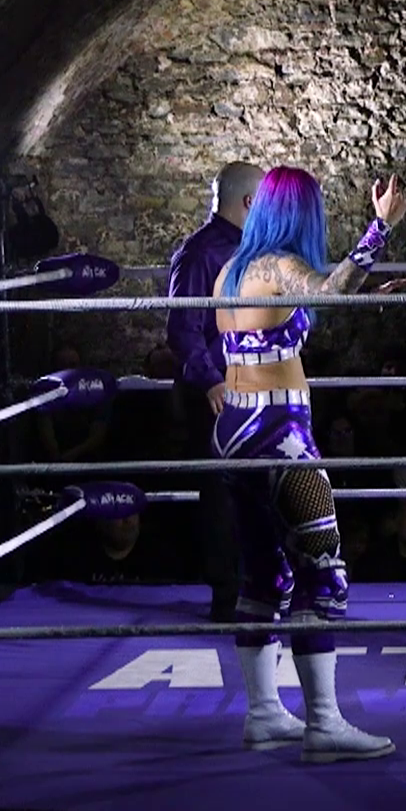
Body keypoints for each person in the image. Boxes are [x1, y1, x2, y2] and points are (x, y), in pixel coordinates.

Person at [210, 165, 406, 763]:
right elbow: (324, 291)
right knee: (323, 571)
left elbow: (275, 330)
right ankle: (324, 722)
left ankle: (263, 714)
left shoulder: (233, 271)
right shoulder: (277, 264)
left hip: (235, 431)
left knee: (263, 576)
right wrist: (379, 228)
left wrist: (357, 294)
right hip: (279, 434)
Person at [169, 162, 265, 622]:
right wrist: (211, 380)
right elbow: (182, 327)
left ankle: (257, 588)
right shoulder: (200, 253)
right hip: (219, 391)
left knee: (255, 490)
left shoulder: (252, 249)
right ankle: (228, 597)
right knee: (223, 495)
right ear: (249, 202)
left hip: (251, 385)